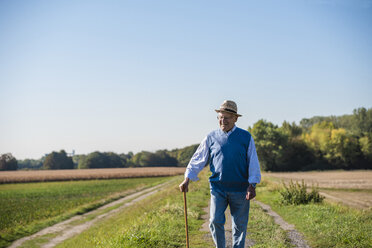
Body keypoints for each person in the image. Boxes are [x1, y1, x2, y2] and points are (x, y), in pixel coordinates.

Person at [179, 100, 261, 248]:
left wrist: (252, 184)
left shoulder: (246, 137)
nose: (223, 121)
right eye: (221, 117)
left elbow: (253, 162)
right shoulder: (211, 137)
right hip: (218, 188)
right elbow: (198, 158)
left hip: (240, 189)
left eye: (227, 117)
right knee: (215, 221)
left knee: (240, 225)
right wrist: (187, 179)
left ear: (235, 118)